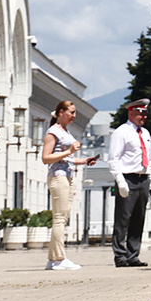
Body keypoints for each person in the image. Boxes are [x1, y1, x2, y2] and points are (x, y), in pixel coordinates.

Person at [41, 100, 98, 271]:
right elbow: (46, 158)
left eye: (74, 113)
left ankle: (53, 259)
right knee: (59, 218)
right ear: (60, 112)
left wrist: (84, 161)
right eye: (71, 112)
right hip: (58, 177)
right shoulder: (53, 132)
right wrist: (70, 151)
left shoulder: (65, 131)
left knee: (62, 218)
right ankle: (58, 258)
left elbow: (67, 159)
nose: (74, 116)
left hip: (67, 175)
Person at [107, 98, 151, 267]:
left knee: (138, 218)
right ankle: (120, 255)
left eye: (145, 113)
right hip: (127, 177)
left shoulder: (145, 133)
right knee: (123, 219)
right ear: (131, 112)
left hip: (142, 178)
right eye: (140, 113)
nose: (143, 117)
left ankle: (133, 254)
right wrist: (120, 181)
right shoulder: (122, 132)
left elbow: (148, 158)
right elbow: (113, 159)